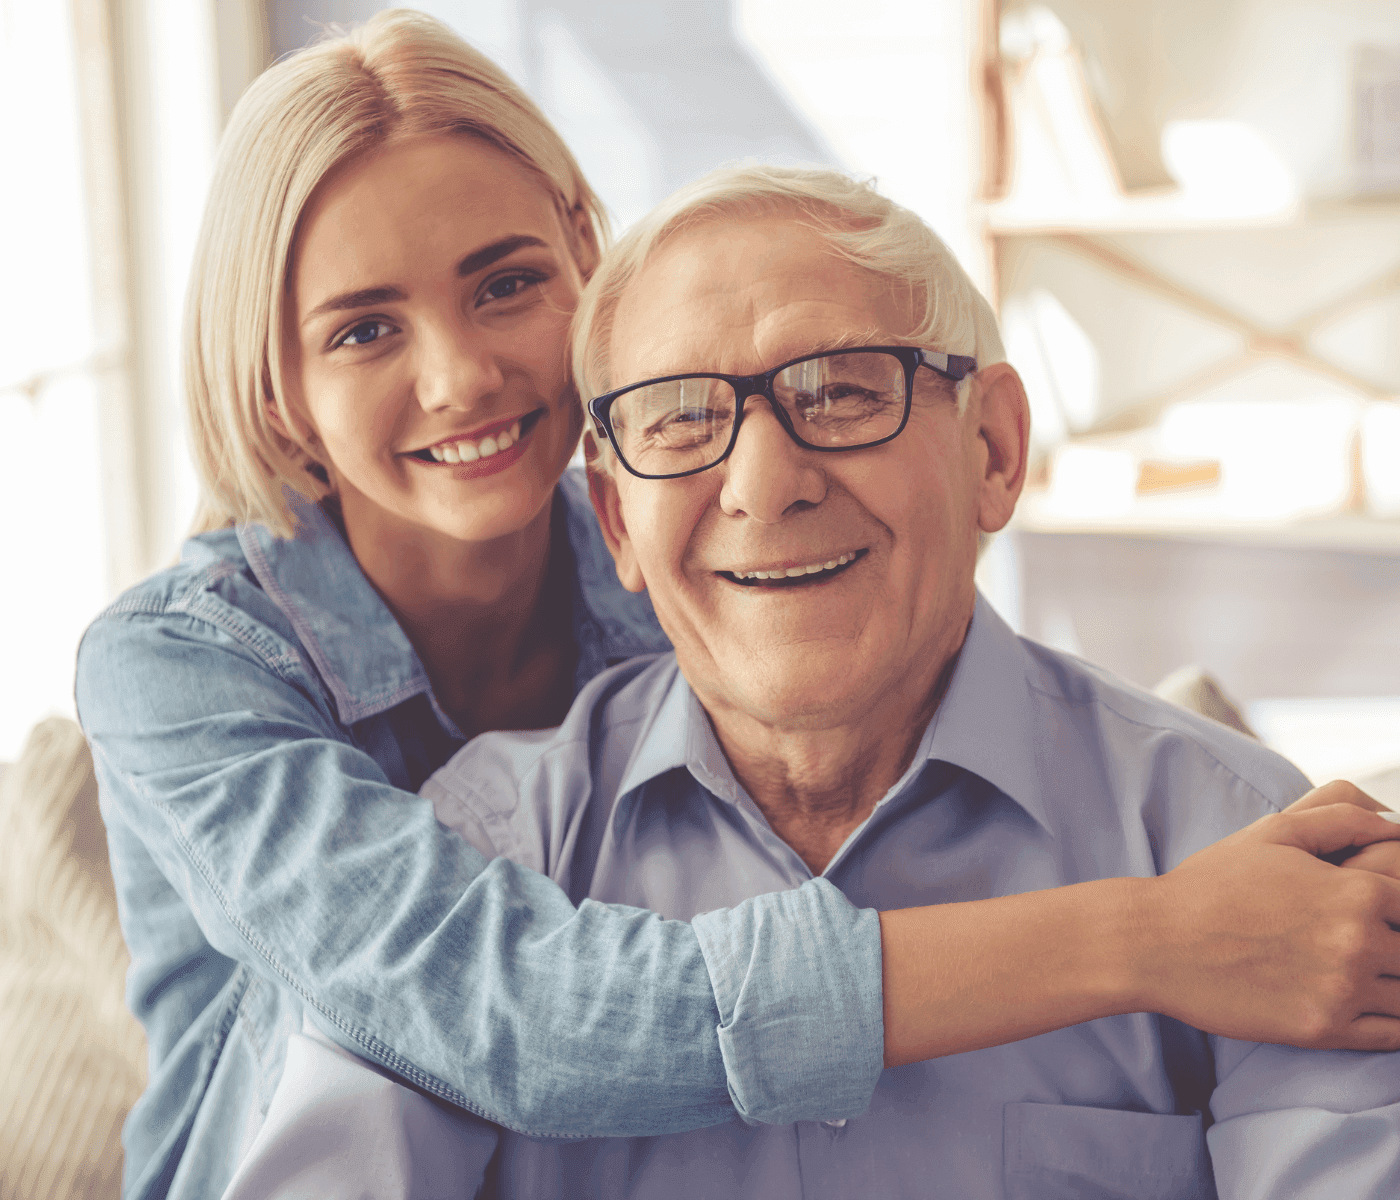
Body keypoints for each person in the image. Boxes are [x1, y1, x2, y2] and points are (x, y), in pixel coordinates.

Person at [75, 11, 1400, 1200]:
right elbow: (518, 1013)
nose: (462, 375)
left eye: (507, 282)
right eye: (364, 329)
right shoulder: (203, 676)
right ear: (272, 390)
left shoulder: (1238, 846)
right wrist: (1148, 933)